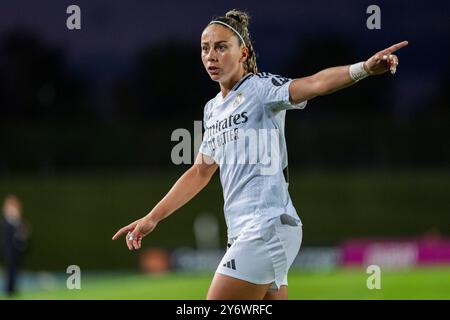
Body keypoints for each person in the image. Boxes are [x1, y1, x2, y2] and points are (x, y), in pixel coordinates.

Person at [112, 9, 408, 299]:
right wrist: (152, 218)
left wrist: (364, 69)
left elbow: (314, 83)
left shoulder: (260, 89)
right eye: (205, 49)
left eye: (221, 47)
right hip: (244, 234)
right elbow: (200, 171)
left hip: (266, 228)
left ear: (242, 53)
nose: (211, 56)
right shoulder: (212, 109)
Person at [1, 195, 29, 296]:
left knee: (16, 270)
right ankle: (8, 289)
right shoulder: (6, 222)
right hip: (9, 251)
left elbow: (22, 237)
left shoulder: (18, 222)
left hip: (17, 251)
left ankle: (13, 288)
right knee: (10, 270)